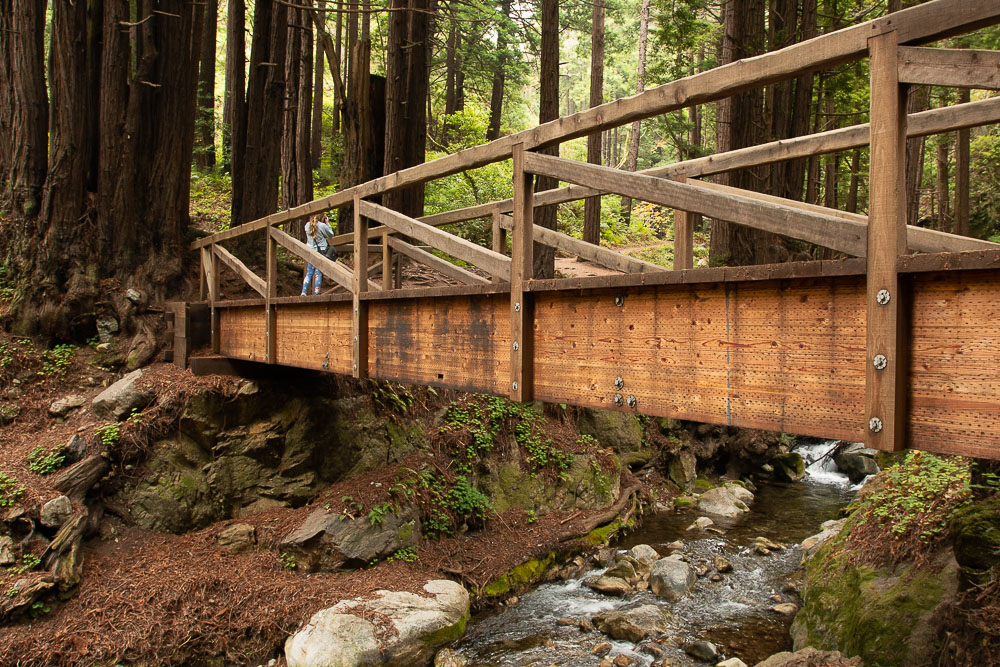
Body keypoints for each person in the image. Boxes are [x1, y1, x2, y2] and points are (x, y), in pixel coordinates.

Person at [301, 214, 335, 295]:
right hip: (321, 250)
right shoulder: (322, 225)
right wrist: (327, 224)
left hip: (311, 251)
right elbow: (331, 235)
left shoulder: (307, 225)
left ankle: (304, 292)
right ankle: (316, 293)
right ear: (321, 217)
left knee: (309, 272)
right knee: (318, 272)